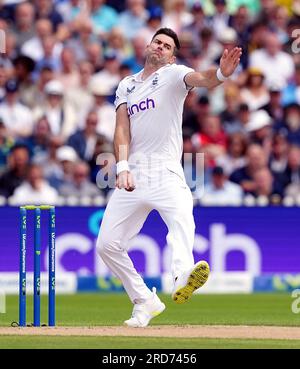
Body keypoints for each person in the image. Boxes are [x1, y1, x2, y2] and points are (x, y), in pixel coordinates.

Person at [97, 28, 242, 327]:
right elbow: (121, 128)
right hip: (133, 173)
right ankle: (144, 301)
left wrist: (221, 74)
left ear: (172, 55)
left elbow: (202, 79)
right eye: (157, 42)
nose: (161, 47)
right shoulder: (126, 85)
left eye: (167, 46)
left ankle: (181, 276)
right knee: (107, 244)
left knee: (181, 219)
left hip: (165, 169)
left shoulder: (174, 75)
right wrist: (122, 167)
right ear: (149, 46)